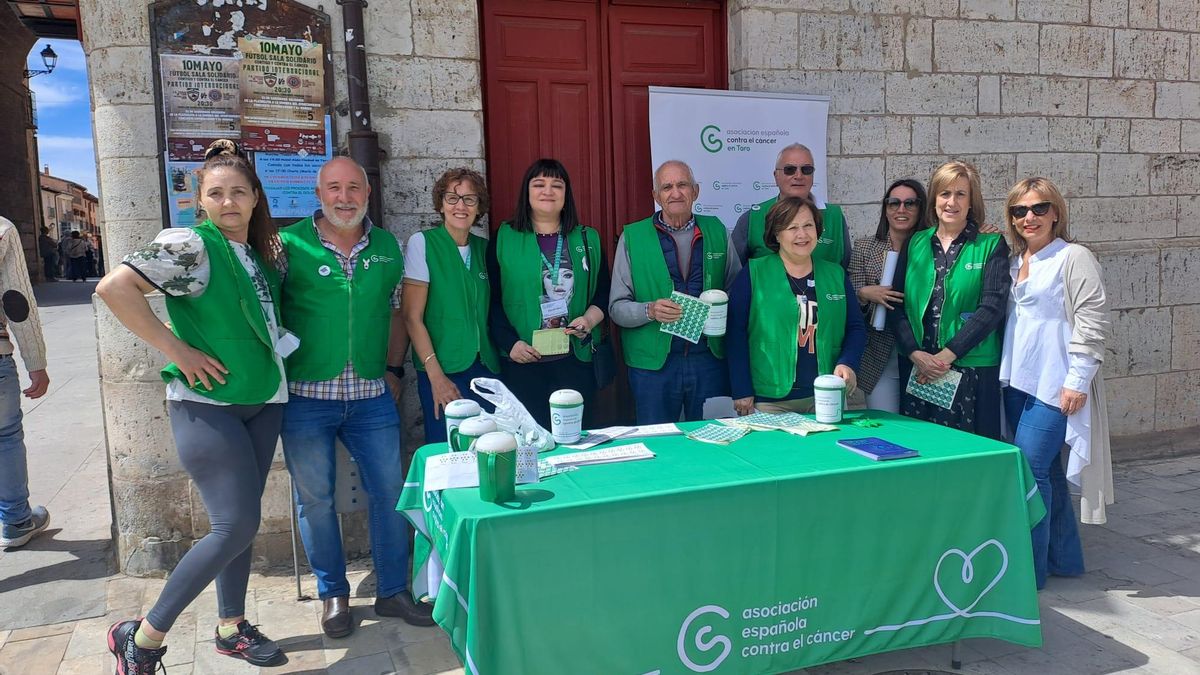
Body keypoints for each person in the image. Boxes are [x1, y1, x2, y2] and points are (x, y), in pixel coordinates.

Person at [97, 139, 287, 671]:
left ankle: (230, 626)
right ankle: (143, 634)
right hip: (208, 405)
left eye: (238, 192)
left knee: (242, 524)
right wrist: (177, 350)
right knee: (234, 524)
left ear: (255, 198)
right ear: (200, 200)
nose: (228, 202)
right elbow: (115, 289)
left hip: (263, 398)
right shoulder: (191, 245)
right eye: (216, 193)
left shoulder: (258, 251)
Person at [278, 156, 432, 637]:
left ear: (367, 194)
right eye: (334, 188)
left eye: (353, 188)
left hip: (370, 394)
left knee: (390, 493)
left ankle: (391, 592)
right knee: (317, 500)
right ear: (319, 194)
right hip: (305, 395)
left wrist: (391, 368)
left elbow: (395, 315)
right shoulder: (287, 245)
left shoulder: (386, 245)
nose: (344, 198)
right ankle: (333, 594)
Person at [1000, 177, 1113, 589]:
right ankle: (1064, 559)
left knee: (1029, 470)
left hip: (1056, 383)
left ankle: (1029, 573)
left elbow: (1092, 320)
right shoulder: (1015, 261)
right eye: (1019, 210)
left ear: (1056, 212)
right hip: (1018, 381)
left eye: (1039, 208)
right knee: (1045, 467)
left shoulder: (1074, 257)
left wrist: (1077, 379)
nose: (1029, 217)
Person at [609, 160, 740, 424]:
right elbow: (616, 307)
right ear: (656, 196)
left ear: (696, 191)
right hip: (654, 366)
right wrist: (650, 310)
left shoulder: (717, 231)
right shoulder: (632, 237)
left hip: (709, 360)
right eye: (667, 187)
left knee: (711, 441)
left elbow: (736, 292)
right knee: (658, 444)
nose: (675, 193)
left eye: (682, 185)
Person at [891, 160, 1009, 440]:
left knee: (971, 453)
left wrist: (944, 358)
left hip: (971, 368)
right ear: (934, 200)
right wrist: (915, 354)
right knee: (923, 449)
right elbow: (896, 303)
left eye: (960, 194)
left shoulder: (991, 244)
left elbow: (992, 308)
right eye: (945, 194)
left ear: (972, 202)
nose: (951, 202)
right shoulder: (917, 242)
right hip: (920, 368)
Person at [487, 159, 609, 427]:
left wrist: (588, 321)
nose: (548, 191)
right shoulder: (505, 237)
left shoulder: (587, 238)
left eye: (557, 185)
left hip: (574, 358)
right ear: (527, 192)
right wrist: (511, 344)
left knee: (577, 437)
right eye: (539, 184)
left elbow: (602, 293)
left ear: (566, 195)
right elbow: (491, 301)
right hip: (524, 359)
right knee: (532, 441)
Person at [727, 197, 865, 415]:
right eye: (792, 228)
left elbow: (856, 327)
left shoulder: (835, 274)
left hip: (826, 395)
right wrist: (741, 389)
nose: (802, 234)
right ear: (776, 234)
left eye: (808, 225)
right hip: (770, 400)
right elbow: (735, 333)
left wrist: (848, 363)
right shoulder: (753, 273)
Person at [403, 168, 500, 443]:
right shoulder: (422, 243)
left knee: (489, 448)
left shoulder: (486, 249)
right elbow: (412, 317)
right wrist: (436, 377)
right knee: (449, 452)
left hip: (486, 369)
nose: (460, 206)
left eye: (470, 199)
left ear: (479, 206)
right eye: (452, 198)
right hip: (443, 370)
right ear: (440, 204)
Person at [847, 179, 928, 413]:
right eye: (894, 203)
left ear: (920, 208)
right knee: (887, 422)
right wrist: (864, 294)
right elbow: (849, 302)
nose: (901, 209)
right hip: (882, 353)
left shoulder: (934, 247)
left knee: (924, 426)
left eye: (910, 203)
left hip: (924, 350)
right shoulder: (864, 247)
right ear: (885, 208)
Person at [0, 216, 51, 549]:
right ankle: (17, 519)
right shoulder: (1, 228)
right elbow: (16, 298)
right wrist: (36, 362)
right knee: (5, 437)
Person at [732, 143, 851, 268]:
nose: (799, 176)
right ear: (776, 176)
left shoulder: (835, 217)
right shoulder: (751, 218)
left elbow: (847, 270)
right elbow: (735, 274)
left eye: (806, 170)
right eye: (790, 170)